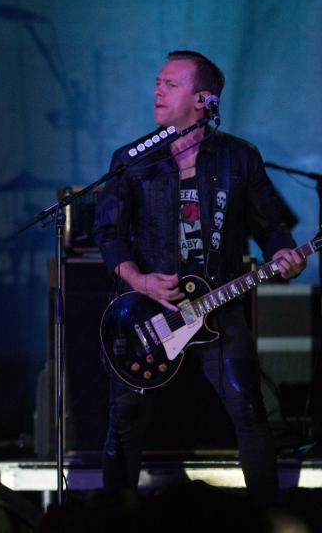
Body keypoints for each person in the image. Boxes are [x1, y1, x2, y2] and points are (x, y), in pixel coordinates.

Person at [93, 50, 306, 505]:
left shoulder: (239, 158)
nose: (157, 90)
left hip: (219, 305)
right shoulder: (134, 159)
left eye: (170, 84)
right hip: (149, 309)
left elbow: (270, 226)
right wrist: (141, 280)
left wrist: (284, 252)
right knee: (125, 419)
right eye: (157, 82)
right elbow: (108, 232)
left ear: (203, 99)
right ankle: (112, 518)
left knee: (250, 410)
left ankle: (268, 517)